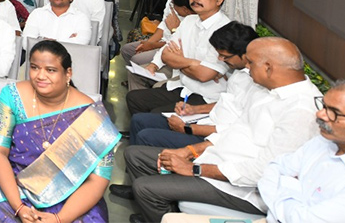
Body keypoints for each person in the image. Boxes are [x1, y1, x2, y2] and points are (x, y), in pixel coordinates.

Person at [119, 38, 322, 223]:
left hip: (241, 188)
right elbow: (232, 131)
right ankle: (161, 209)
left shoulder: (300, 111)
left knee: (145, 188)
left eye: (250, 63)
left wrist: (194, 169)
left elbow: (263, 172)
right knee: (135, 155)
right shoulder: (267, 91)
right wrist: (190, 151)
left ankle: (161, 211)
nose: (246, 68)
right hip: (216, 160)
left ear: (268, 67)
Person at [0, 41, 119, 223]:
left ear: (68, 73)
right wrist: (19, 206)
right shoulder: (12, 96)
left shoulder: (91, 115)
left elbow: (98, 180)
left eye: (51, 70)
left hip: (72, 192)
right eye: (35, 67)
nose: (40, 76)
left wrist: (60, 219)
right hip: (16, 185)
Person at [256, 80, 345, 223]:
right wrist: (295, 198)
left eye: (334, 113)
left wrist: (287, 185)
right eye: (324, 106)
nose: (320, 114)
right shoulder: (325, 141)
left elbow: (305, 220)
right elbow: (273, 168)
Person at [128, 22, 259, 149]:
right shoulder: (238, 74)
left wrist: (188, 128)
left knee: (145, 135)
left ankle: (145, 159)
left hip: (215, 138)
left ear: (244, 54)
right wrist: (194, 110)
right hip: (206, 120)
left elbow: (236, 129)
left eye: (225, 57)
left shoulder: (257, 86)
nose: (220, 60)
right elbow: (226, 105)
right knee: (139, 120)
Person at [126, 0, 231, 113]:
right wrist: (193, 63)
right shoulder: (189, 21)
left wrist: (179, 61)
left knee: (155, 114)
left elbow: (204, 75)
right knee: (134, 99)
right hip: (183, 86)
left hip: (206, 96)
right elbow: (166, 53)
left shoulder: (226, 29)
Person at [120, 0, 201, 67]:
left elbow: (178, 44)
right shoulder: (170, 0)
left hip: (172, 48)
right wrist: (148, 44)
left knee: (137, 59)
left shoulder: (191, 9)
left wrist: (152, 45)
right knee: (127, 50)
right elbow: (163, 27)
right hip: (162, 42)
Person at [21, 0, 93, 48]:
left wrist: (42, 40)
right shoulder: (37, 14)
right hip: (38, 59)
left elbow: (82, 44)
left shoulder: (81, 18)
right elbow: (26, 43)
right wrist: (67, 41)